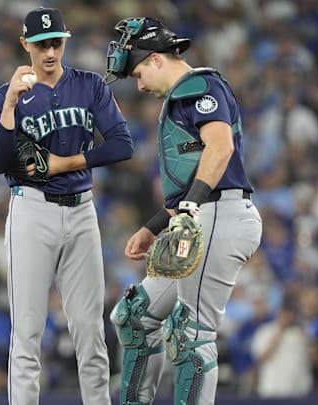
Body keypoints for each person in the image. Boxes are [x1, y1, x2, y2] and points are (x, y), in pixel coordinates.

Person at [105, 17, 263, 405]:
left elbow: (220, 147)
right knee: (133, 315)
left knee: (191, 335)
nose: (139, 83)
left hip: (220, 215)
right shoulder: (184, 95)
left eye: (139, 72)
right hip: (203, 214)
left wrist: (189, 208)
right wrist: (155, 225)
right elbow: (193, 178)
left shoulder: (199, 86)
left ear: (156, 59)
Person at [0, 7, 133, 404]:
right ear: (25, 45)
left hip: (82, 210)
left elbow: (122, 144)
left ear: (65, 41)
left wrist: (67, 163)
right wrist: (11, 104)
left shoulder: (89, 86)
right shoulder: (6, 95)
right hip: (32, 210)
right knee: (28, 331)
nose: (49, 51)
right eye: (40, 44)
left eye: (55, 42)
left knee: (90, 331)